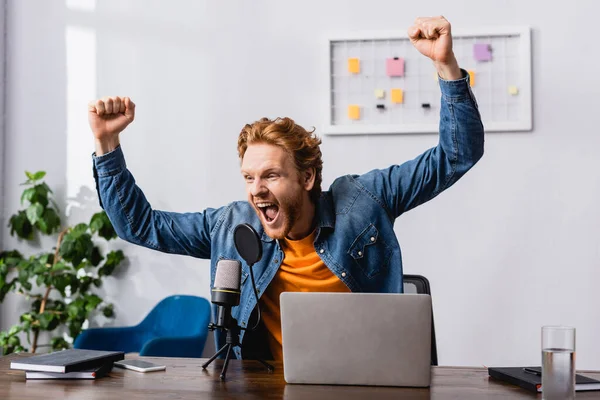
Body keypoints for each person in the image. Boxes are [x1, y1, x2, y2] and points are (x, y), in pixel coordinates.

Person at [88, 16, 484, 361]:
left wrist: (445, 65)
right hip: (265, 386)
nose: (256, 190)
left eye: (271, 176)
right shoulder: (230, 226)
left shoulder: (365, 199)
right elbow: (138, 226)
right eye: (248, 177)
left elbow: (457, 155)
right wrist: (106, 144)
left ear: (307, 178)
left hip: (368, 380)